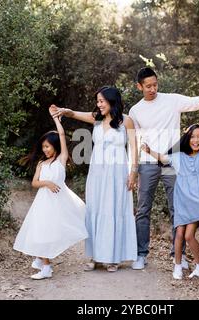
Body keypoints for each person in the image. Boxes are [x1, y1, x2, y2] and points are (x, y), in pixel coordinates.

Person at [128, 67, 199, 270]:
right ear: (139, 86)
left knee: (177, 209)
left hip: (172, 162)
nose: (152, 89)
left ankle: (178, 255)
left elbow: (194, 101)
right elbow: (133, 140)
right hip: (147, 162)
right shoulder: (135, 110)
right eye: (148, 86)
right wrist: (133, 169)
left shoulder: (171, 100)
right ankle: (141, 254)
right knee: (143, 210)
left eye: (155, 85)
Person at [49, 86, 138, 272]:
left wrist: (133, 173)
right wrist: (65, 111)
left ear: (112, 101)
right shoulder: (97, 118)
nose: (98, 105)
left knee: (114, 210)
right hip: (97, 173)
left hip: (117, 174)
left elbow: (134, 149)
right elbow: (75, 114)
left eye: (101, 101)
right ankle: (94, 256)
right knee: (96, 210)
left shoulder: (127, 121)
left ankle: (113, 258)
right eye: (97, 101)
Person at [141, 104, 199, 279]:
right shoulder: (179, 157)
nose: (196, 140)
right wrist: (149, 150)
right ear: (187, 138)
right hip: (182, 200)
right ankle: (177, 266)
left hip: (196, 203)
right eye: (193, 137)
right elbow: (163, 158)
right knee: (179, 234)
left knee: (189, 235)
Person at [13, 114, 88, 280]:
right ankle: (45, 265)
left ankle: (42, 260)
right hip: (44, 202)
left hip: (60, 202)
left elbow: (62, 135)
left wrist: (56, 119)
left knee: (54, 231)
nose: (45, 149)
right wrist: (47, 183)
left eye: (47, 146)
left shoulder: (61, 160)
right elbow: (34, 182)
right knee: (42, 231)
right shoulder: (42, 163)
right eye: (43, 147)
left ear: (55, 146)